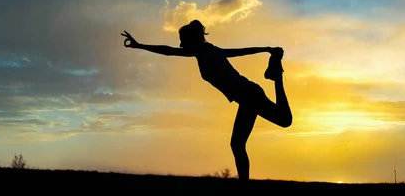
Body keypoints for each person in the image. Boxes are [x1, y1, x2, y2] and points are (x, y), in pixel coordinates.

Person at [121, 20, 293, 181]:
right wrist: (267, 49)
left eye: (182, 40)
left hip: (249, 95)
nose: (181, 44)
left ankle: (277, 75)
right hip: (248, 95)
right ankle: (276, 74)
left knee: (248, 138)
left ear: (192, 39)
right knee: (246, 139)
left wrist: (139, 45)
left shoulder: (204, 51)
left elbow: (169, 50)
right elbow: (238, 52)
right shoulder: (208, 51)